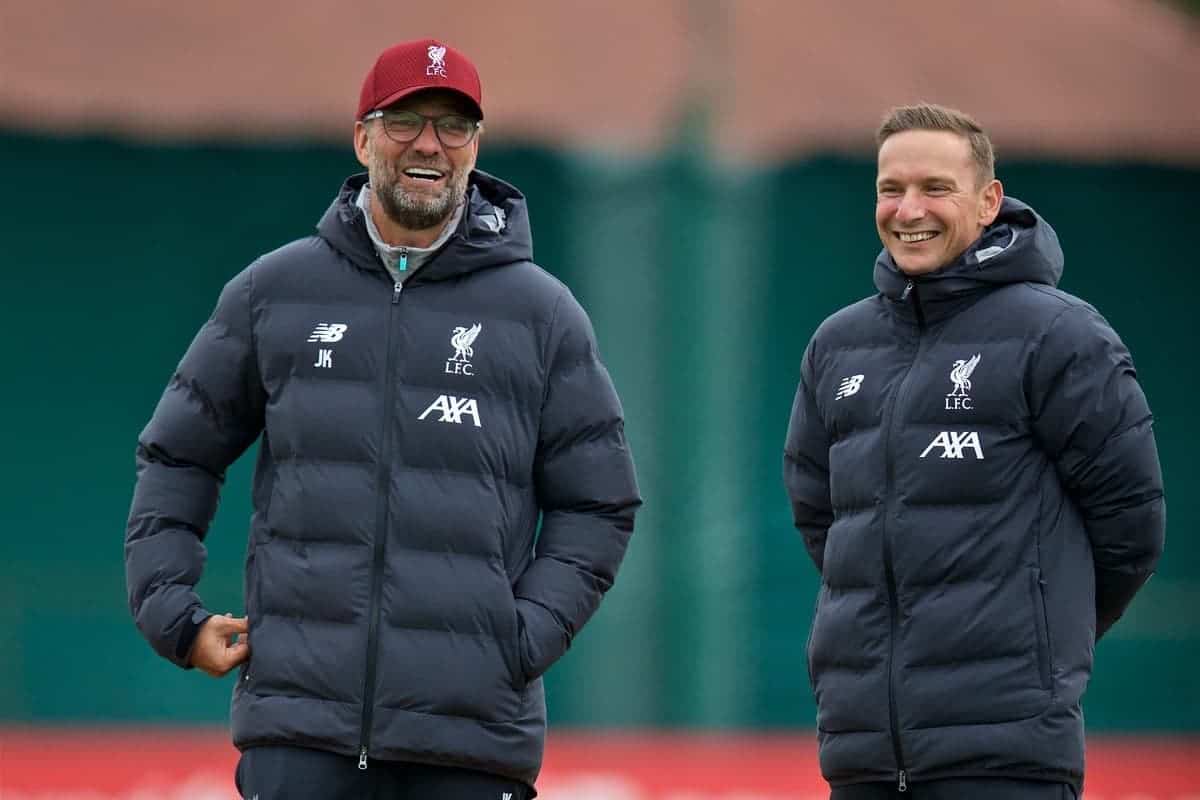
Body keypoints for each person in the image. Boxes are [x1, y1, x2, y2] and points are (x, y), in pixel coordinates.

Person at [125, 38, 641, 799]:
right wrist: (174, 612)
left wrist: (519, 635)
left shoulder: (543, 314)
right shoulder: (273, 293)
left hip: (471, 742)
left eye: (453, 125)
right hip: (298, 731)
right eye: (405, 121)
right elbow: (178, 457)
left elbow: (599, 503)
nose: (429, 143)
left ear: (475, 148)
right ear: (362, 136)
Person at [782, 103, 1165, 799]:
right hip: (862, 757)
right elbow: (824, 520)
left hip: (1007, 759)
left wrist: (1041, 631)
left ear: (989, 201)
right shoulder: (837, 346)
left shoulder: (1062, 336)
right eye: (890, 189)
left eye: (935, 188)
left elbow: (1131, 529)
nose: (908, 209)